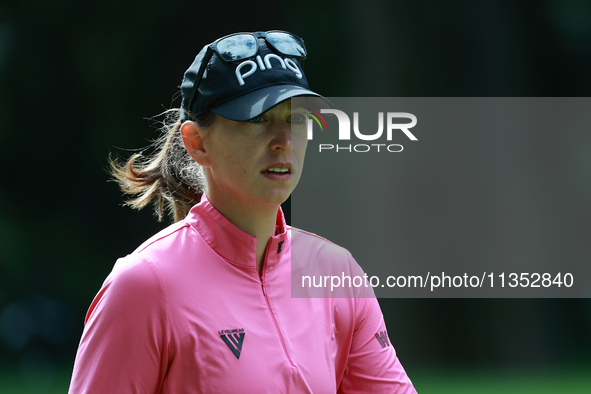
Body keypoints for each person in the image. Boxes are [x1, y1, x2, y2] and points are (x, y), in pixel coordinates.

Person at [68, 30, 416, 393]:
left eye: (296, 119)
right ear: (197, 143)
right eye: (257, 119)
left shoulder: (336, 273)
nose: (284, 140)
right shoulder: (143, 286)